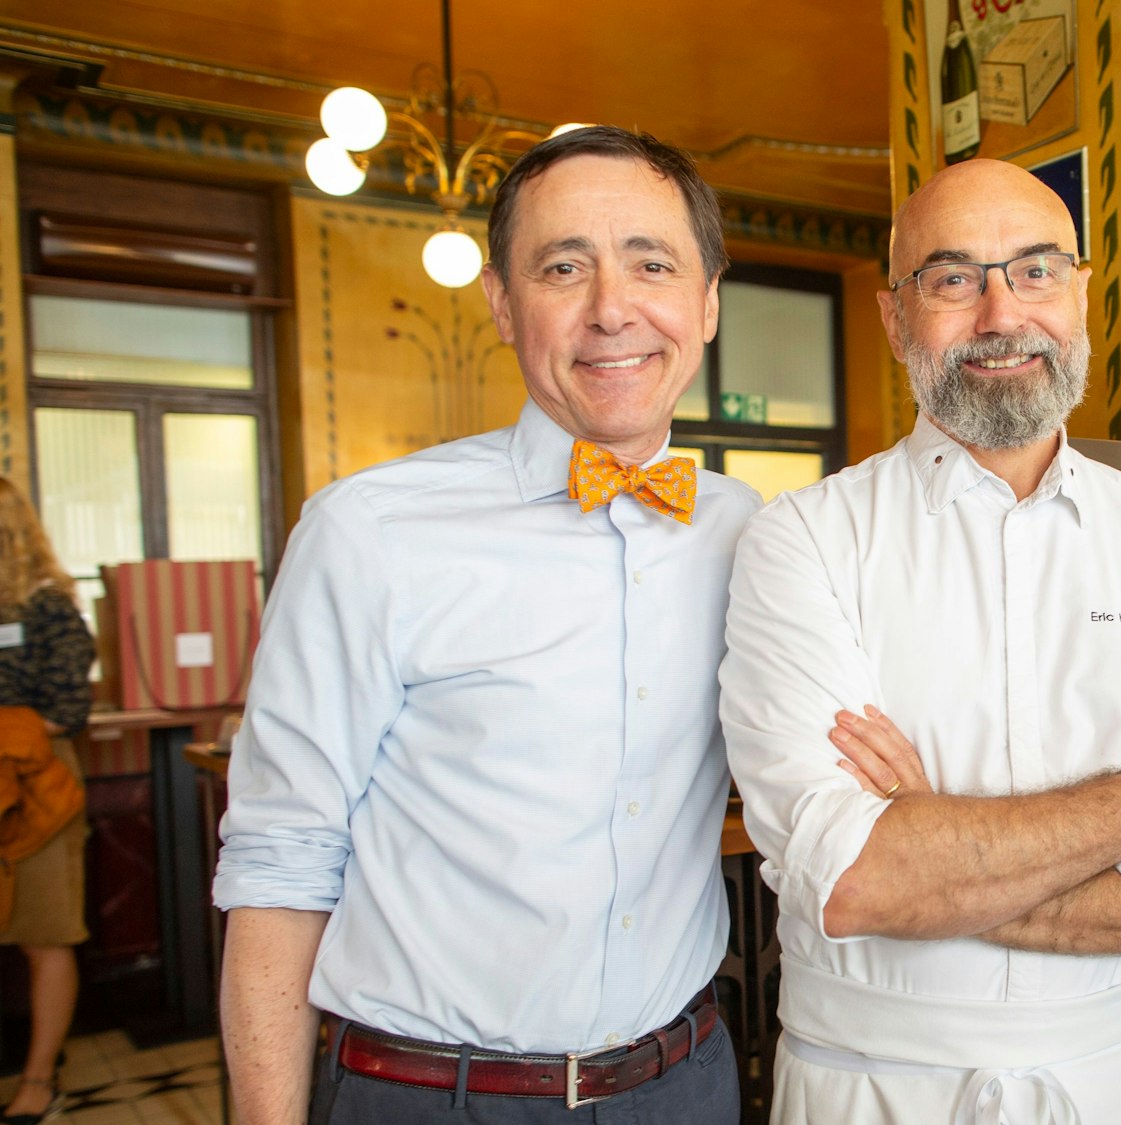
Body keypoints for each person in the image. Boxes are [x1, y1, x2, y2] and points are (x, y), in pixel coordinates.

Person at [719, 158, 1121, 1124]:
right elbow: (857, 878)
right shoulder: (803, 540)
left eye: (1035, 271)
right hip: (869, 1086)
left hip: (1116, 1081)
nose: (1000, 314)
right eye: (953, 279)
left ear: (1081, 295)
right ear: (895, 315)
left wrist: (941, 850)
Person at [213, 126, 760, 1125]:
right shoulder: (369, 532)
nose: (610, 310)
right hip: (429, 1097)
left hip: (683, 1085)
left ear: (706, 300)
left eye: (652, 263)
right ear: (504, 307)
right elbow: (279, 862)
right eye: (563, 268)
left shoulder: (752, 535)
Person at [0, 479, 94, 1125]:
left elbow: (67, 707)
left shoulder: (48, 605)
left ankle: (39, 1078)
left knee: (44, 933)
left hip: (34, 786)